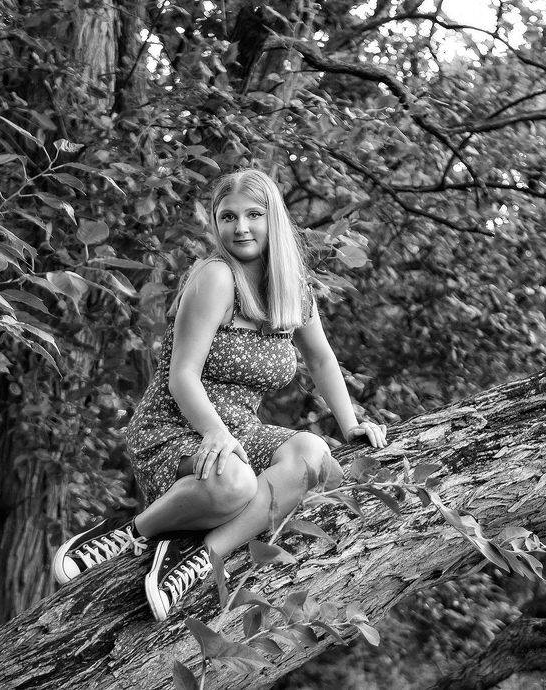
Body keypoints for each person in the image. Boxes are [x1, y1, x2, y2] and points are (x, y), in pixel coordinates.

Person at [51, 168, 387, 621]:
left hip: (240, 432)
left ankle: (198, 558)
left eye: (253, 214)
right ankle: (128, 532)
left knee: (313, 453)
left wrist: (351, 425)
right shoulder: (215, 276)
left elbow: (323, 361)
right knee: (235, 482)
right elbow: (181, 375)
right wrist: (214, 432)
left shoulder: (293, 293)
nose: (241, 227)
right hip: (175, 426)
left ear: (275, 221)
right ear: (216, 222)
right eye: (228, 216)